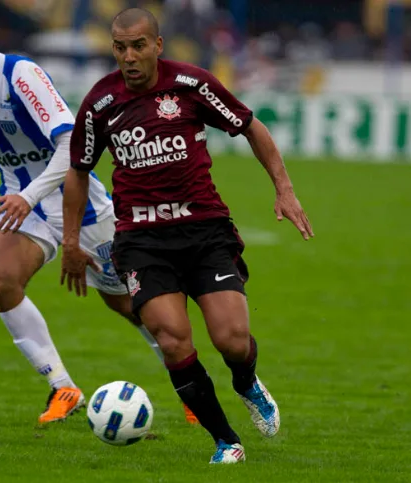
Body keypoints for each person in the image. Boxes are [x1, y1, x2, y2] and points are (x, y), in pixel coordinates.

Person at [61, 8, 313, 463]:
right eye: (120, 47)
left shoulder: (191, 85)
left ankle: (247, 383)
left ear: (158, 45)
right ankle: (226, 440)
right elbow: (78, 172)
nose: (129, 56)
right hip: (141, 240)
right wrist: (70, 242)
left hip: (203, 230)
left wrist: (285, 190)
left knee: (232, 340)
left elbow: (251, 125)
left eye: (138, 46)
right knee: (173, 338)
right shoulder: (100, 103)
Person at [0, 0, 199, 425]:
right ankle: (63, 387)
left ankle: (192, 390)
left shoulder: (22, 76)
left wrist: (31, 194)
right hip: (23, 205)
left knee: (131, 306)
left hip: (79, 205)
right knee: (0, 279)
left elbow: (71, 145)